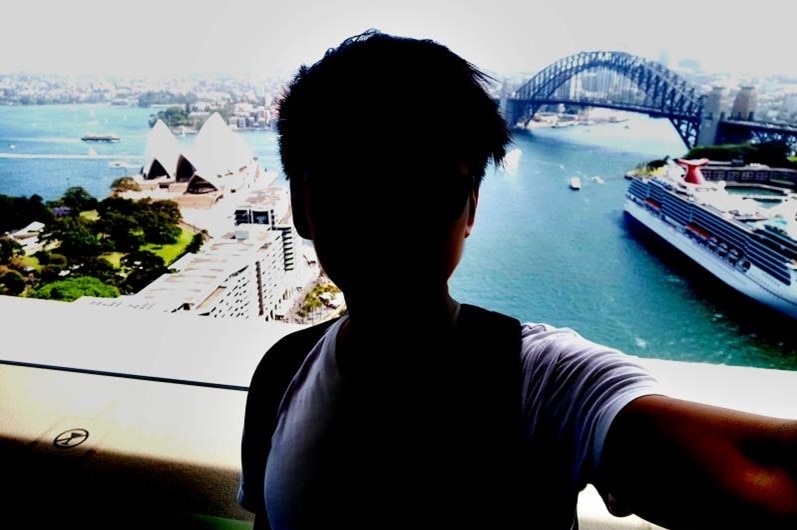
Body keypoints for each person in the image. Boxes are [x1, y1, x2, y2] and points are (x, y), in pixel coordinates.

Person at [239, 30, 797, 529]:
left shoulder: (542, 384)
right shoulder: (278, 377)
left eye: (428, 192)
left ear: (471, 209)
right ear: (302, 207)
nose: (393, 222)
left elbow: (762, 475)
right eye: (356, 190)